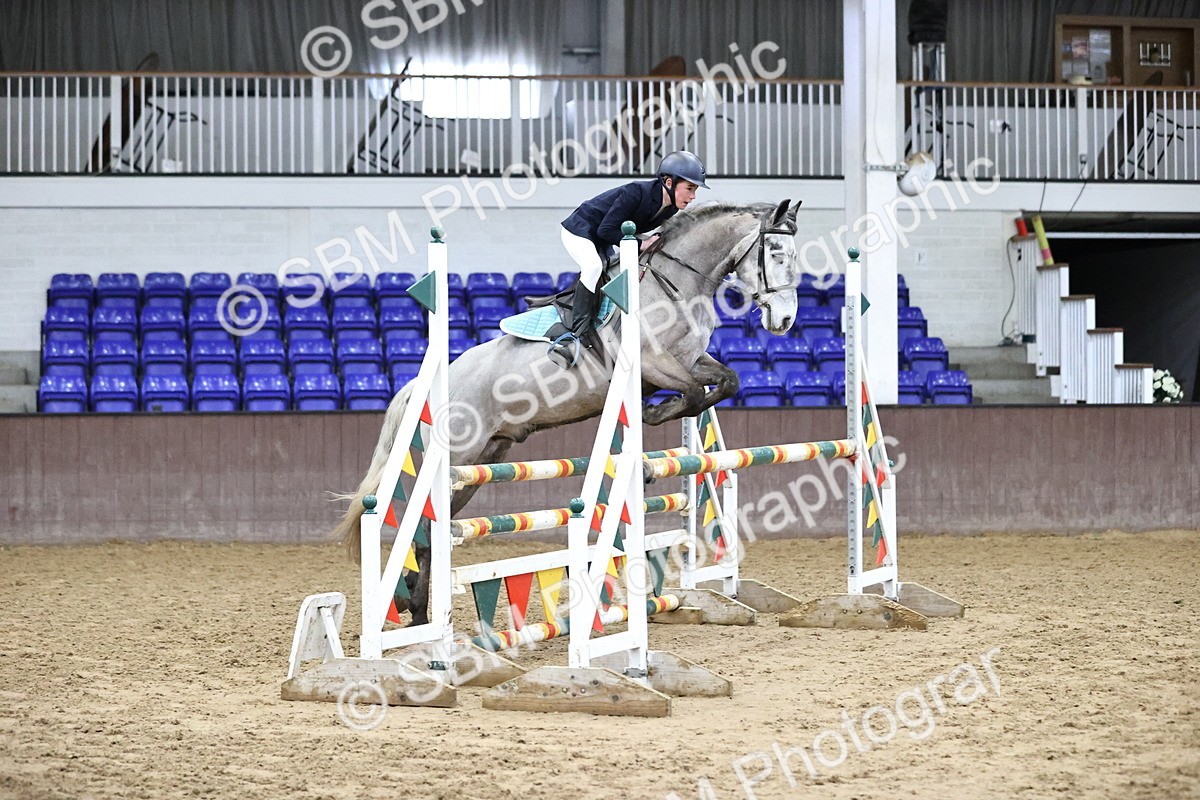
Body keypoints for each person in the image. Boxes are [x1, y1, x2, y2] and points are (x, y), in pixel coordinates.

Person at [548, 150, 709, 368]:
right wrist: (641, 242)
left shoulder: (670, 208)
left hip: (605, 235)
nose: (693, 196)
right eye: (690, 188)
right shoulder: (636, 192)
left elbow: (629, 233)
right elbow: (606, 230)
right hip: (580, 228)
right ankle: (574, 336)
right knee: (593, 267)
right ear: (669, 182)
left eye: (695, 190)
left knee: (609, 274)